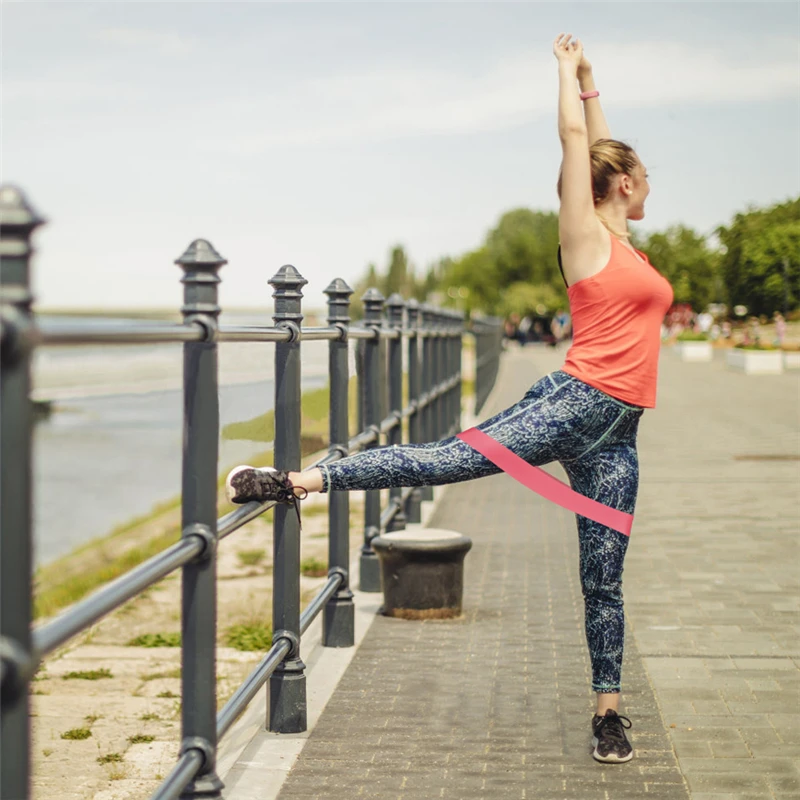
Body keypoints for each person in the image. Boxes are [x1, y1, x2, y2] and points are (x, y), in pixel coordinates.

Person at [226, 34, 673, 766]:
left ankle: (608, 713)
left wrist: (593, 83)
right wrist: (566, 73)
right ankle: (297, 480)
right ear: (623, 183)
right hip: (570, 404)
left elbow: (598, 145)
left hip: (619, 437)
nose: (650, 183)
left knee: (604, 578)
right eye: (644, 175)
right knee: (445, 460)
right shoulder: (584, 238)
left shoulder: (626, 243)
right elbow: (578, 145)